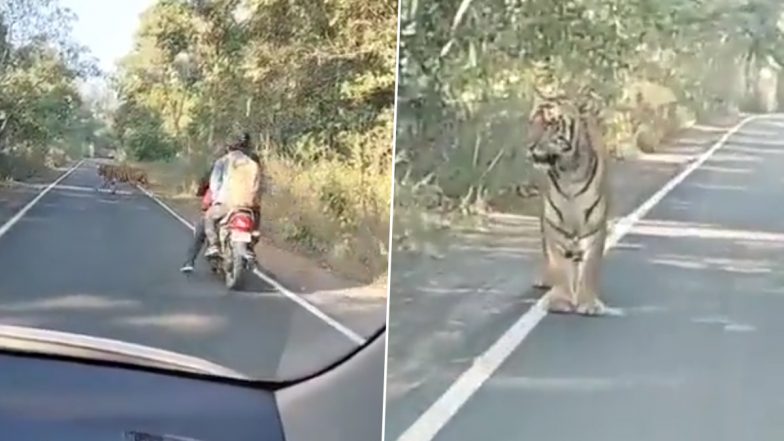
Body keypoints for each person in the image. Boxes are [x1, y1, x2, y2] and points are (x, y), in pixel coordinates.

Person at [203, 134, 262, 257]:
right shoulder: (253, 163)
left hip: (227, 203)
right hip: (249, 205)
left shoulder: (223, 161)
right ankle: (250, 247)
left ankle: (214, 245)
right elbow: (258, 184)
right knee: (255, 225)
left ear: (229, 147)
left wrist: (216, 199)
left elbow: (214, 184)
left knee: (209, 218)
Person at [179, 146, 225, 273]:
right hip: (243, 206)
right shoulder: (248, 165)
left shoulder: (219, 166)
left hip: (220, 205)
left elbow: (204, 185)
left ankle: (189, 261)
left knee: (200, 230)